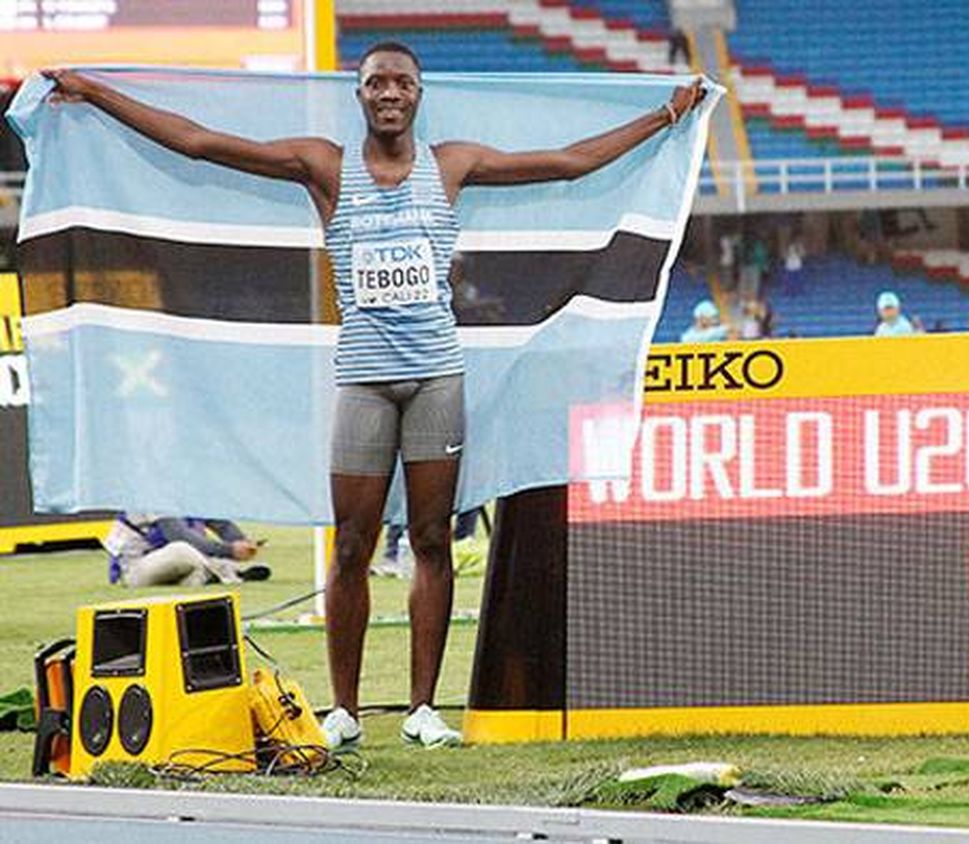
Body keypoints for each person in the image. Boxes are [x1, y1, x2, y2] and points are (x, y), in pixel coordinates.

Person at [42, 43, 706, 751]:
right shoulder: (326, 167)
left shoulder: (452, 165)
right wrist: (96, 94)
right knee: (353, 544)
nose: (389, 92)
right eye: (375, 82)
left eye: (402, 82)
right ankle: (345, 711)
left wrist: (665, 115)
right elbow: (202, 144)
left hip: (436, 381)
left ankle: (423, 709)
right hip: (364, 379)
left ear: (419, 96)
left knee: (430, 539)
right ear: (359, 96)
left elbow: (570, 162)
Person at [103, 515, 270, 587]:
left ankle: (218, 574)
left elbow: (220, 523)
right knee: (181, 550)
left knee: (194, 572)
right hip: (135, 569)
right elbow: (179, 535)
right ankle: (228, 571)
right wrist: (230, 550)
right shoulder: (152, 493)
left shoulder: (188, 491)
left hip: (175, 566)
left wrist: (240, 540)